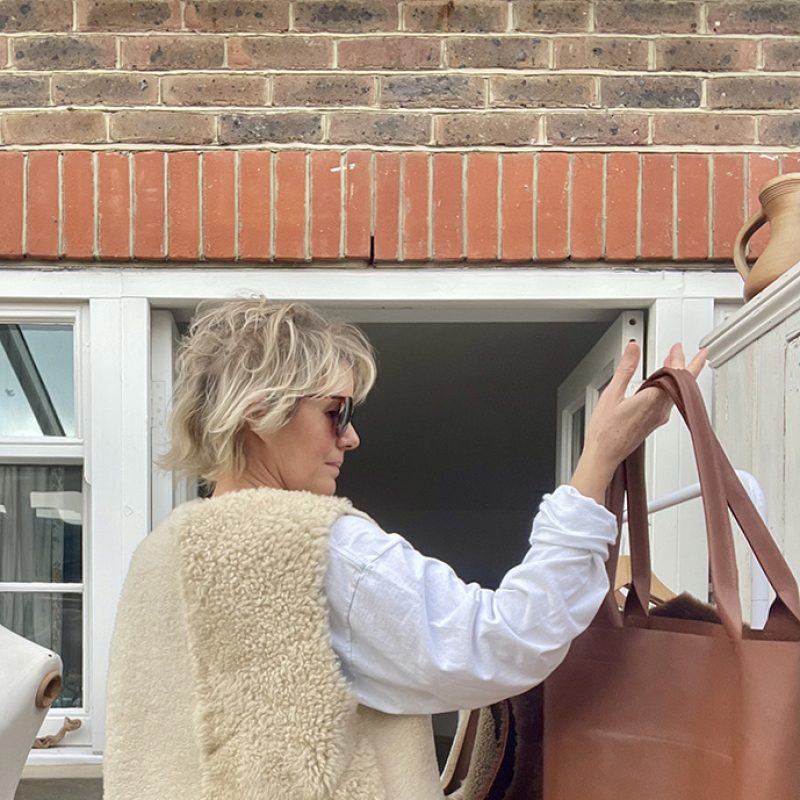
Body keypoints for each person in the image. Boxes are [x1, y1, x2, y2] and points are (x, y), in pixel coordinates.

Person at [103, 299, 706, 800]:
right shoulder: (315, 546)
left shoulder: (159, 555)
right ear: (260, 411)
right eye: (335, 412)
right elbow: (497, 643)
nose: (352, 435)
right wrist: (598, 460)